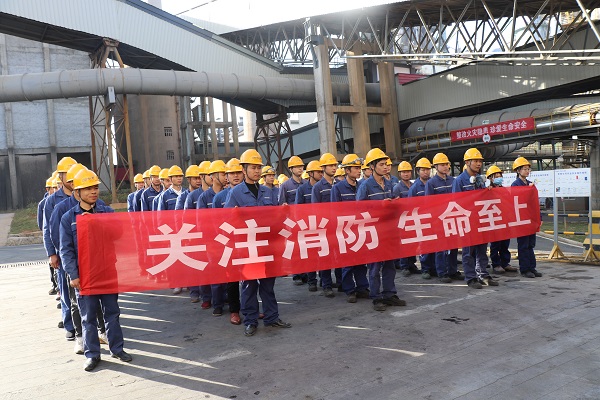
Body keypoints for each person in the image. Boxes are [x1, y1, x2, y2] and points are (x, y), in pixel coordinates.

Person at [59, 169, 132, 372]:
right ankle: (92, 355)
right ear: (77, 192)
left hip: (107, 271)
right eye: (88, 188)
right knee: (88, 317)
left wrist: (98, 224)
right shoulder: (68, 218)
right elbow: (66, 250)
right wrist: (73, 275)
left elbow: (119, 233)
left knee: (112, 313)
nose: (93, 192)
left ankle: (117, 349)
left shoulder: (106, 212)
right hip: (85, 276)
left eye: (95, 187)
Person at [225, 149, 291, 337]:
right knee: (250, 285)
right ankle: (251, 320)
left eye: (258, 168)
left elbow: (275, 219)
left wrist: (283, 212)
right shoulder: (235, 193)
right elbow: (226, 220)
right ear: (244, 169)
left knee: (268, 284)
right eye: (253, 168)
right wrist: (234, 215)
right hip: (248, 247)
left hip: (267, 245)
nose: (256, 171)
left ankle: (272, 317)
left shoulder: (267, 191)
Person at [357, 148, 406, 311]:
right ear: (372, 167)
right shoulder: (365, 186)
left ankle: (389, 294)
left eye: (386, 164)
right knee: (375, 267)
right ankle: (376, 297)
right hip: (374, 232)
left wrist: (395, 203)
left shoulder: (390, 184)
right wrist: (380, 206)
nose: (385, 167)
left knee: (390, 264)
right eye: (381, 164)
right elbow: (359, 211)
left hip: (389, 231)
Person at [452, 148, 499, 289]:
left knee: (482, 249)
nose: (479, 164)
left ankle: (483, 274)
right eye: (476, 161)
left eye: (480, 161)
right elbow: (456, 202)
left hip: (480, 220)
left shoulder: (480, 179)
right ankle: (471, 278)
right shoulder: (459, 181)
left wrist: (488, 191)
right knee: (468, 252)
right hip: (468, 222)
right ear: (467, 162)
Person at [43, 156, 77, 339]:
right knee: (65, 288)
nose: (71, 178)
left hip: (83, 252)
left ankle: (87, 325)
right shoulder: (52, 201)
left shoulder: (83, 194)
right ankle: (70, 325)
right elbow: (47, 229)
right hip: (62, 252)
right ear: (61, 176)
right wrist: (52, 253)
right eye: (67, 174)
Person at [330, 154, 370, 303]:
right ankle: (350, 290)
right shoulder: (338, 188)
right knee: (348, 262)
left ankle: (362, 287)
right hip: (345, 230)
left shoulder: (362, 186)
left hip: (360, 229)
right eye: (355, 168)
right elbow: (334, 211)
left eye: (359, 168)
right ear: (347, 170)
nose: (359, 170)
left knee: (361, 261)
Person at [212, 158, 244, 324]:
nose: (236, 176)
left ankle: (251, 308)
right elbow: (215, 222)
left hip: (247, 240)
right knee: (232, 279)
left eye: (238, 172)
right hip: (230, 242)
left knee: (252, 278)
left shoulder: (251, 192)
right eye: (232, 173)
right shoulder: (220, 198)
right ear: (226, 176)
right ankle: (234, 310)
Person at [425, 153, 463, 283]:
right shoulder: (431, 183)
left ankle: (452, 271)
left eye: (447, 164)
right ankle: (442, 272)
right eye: (442, 164)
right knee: (440, 248)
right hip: (439, 220)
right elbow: (429, 204)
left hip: (452, 218)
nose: (446, 167)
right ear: (436, 167)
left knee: (453, 246)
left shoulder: (453, 180)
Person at [196, 160, 227, 308]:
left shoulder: (228, 194)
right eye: (223, 174)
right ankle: (215, 302)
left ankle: (226, 297)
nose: (226, 177)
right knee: (214, 271)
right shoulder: (204, 197)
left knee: (228, 271)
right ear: (213, 177)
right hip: (212, 241)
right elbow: (201, 222)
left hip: (227, 239)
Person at [311, 152, 340, 298]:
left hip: (338, 226)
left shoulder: (339, 184)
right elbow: (315, 209)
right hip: (325, 227)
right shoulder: (317, 187)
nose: (334, 168)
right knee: (325, 257)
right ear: (323, 168)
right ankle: (326, 285)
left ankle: (341, 282)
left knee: (339, 255)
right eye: (330, 165)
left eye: (335, 165)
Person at [511, 156, 542, 278]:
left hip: (531, 218)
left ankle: (532, 267)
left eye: (528, 169)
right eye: (524, 169)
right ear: (518, 170)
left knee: (530, 244)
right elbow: (515, 201)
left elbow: (535, 203)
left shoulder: (530, 184)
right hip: (521, 218)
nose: (527, 171)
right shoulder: (515, 185)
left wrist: (539, 217)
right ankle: (524, 269)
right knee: (523, 244)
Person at [296, 160, 323, 291]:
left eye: (322, 172)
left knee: (323, 254)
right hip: (308, 227)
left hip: (322, 226)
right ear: (311, 173)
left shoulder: (322, 187)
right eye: (318, 172)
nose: (321, 174)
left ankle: (325, 281)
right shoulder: (302, 189)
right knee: (311, 256)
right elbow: (298, 210)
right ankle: (312, 281)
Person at [486, 165, 517, 274]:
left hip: (504, 220)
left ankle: (505, 263)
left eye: (500, 176)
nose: (499, 178)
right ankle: (496, 264)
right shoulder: (487, 191)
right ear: (491, 178)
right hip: (494, 221)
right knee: (495, 244)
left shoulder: (504, 190)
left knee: (505, 243)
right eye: (497, 176)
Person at [408, 157, 436, 280]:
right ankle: (425, 269)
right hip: (421, 220)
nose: (426, 172)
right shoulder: (414, 188)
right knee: (424, 245)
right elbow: (410, 205)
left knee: (434, 244)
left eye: (428, 169)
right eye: (423, 170)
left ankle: (434, 268)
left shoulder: (433, 183)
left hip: (433, 218)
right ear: (418, 171)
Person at [392, 161, 419, 276]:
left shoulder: (413, 185)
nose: (406, 174)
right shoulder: (397, 188)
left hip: (413, 217)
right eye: (403, 172)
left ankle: (412, 264)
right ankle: (404, 266)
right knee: (404, 243)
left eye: (408, 171)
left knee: (413, 242)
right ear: (400, 174)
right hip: (402, 219)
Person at [39, 175, 59, 296]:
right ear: (48, 189)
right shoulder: (44, 204)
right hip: (52, 240)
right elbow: (43, 225)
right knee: (53, 266)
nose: (56, 190)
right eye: (54, 187)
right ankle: (56, 286)